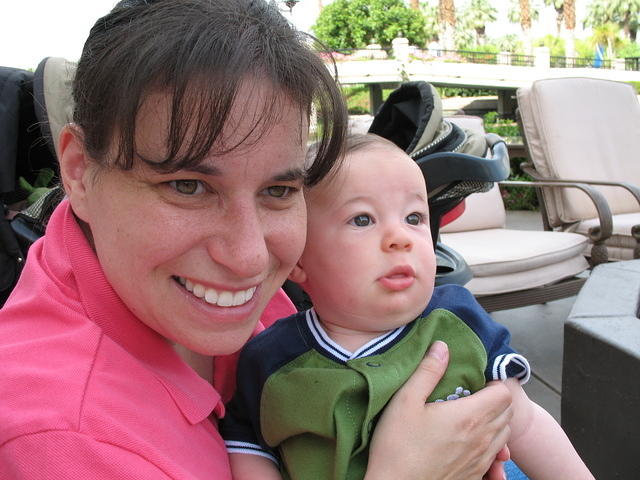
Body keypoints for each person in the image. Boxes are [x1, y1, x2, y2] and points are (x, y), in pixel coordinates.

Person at [0, 1, 515, 478]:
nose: (249, 259)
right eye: (188, 186)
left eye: (278, 190)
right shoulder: (66, 441)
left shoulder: (157, 276)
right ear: (78, 170)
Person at [221, 134, 594, 480]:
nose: (400, 238)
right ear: (298, 257)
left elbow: (524, 422)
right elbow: (249, 450)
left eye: (414, 218)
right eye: (362, 219)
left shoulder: (457, 322)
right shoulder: (272, 361)